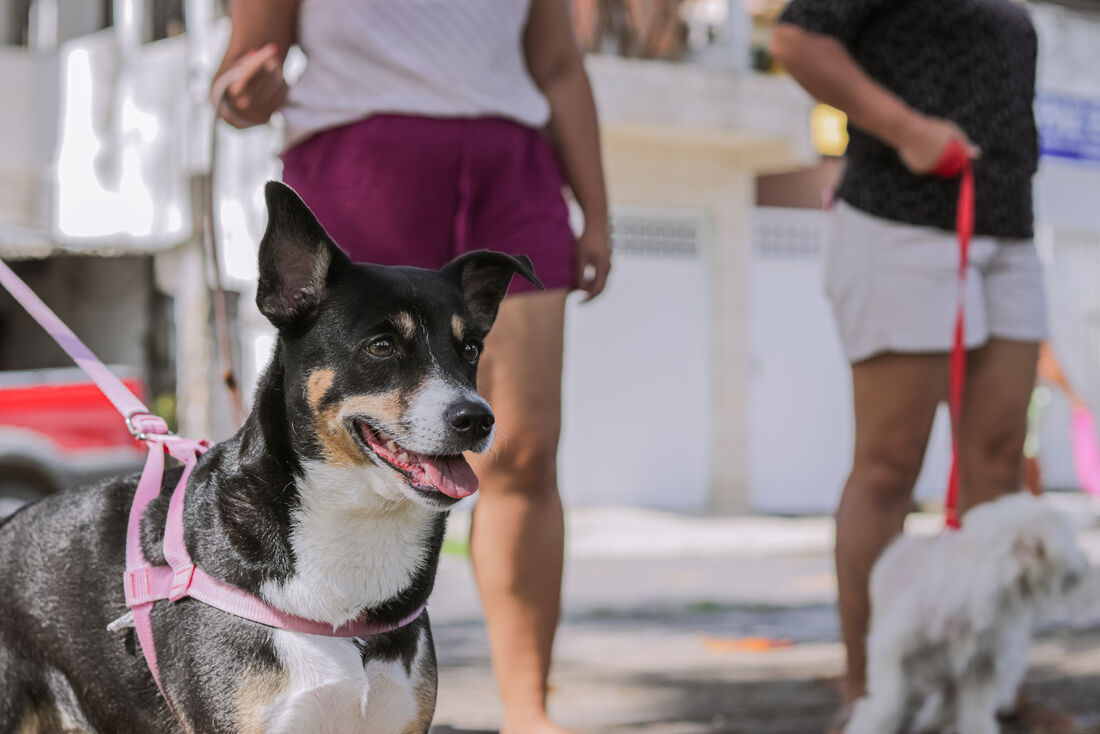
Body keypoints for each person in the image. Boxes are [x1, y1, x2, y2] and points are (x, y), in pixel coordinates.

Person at [212, 3, 611, 732]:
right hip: (359, 153)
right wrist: (244, 95)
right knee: (352, 438)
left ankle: (529, 712)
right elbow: (242, 72)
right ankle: (318, 691)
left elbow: (557, 63)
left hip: (512, 162)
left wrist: (599, 209)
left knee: (522, 447)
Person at [770, 2, 1078, 731]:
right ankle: (869, 689)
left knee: (1000, 463)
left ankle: (991, 690)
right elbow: (796, 38)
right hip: (900, 222)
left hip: (1005, 226)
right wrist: (909, 130)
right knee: (889, 466)